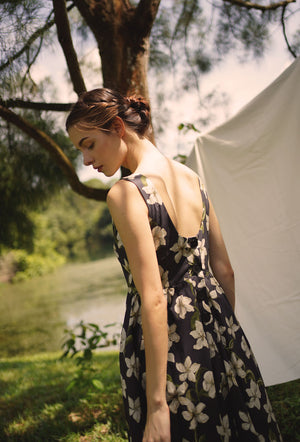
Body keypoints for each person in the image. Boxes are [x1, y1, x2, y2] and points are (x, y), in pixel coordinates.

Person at [66, 88, 282, 442]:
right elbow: (224, 269)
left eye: (88, 144)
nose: (86, 159)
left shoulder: (126, 193)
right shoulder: (193, 179)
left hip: (171, 347)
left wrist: (156, 406)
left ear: (117, 127)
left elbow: (153, 297)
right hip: (221, 333)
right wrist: (225, 343)